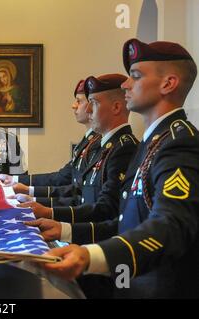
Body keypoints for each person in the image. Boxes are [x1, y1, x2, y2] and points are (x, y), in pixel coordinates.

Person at [41, 38, 199, 298]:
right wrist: (66, 230)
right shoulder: (152, 142)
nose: (125, 84)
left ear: (168, 84)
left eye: (135, 76)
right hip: (129, 282)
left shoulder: (180, 144)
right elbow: (126, 223)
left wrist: (91, 255)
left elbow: (170, 226)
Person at [20, 74, 138, 225]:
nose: (88, 110)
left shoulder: (124, 148)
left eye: (93, 103)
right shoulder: (103, 146)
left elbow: (107, 209)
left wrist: (51, 214)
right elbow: (79, 195)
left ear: (116, 107)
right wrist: (40, 204)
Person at [0, 80, 101, 207]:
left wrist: (32, 196)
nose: (74, 106)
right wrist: (16, 181)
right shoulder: (87, 141)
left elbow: (74, 190)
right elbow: (61, 178)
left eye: (79, 101)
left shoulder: (98, 143)